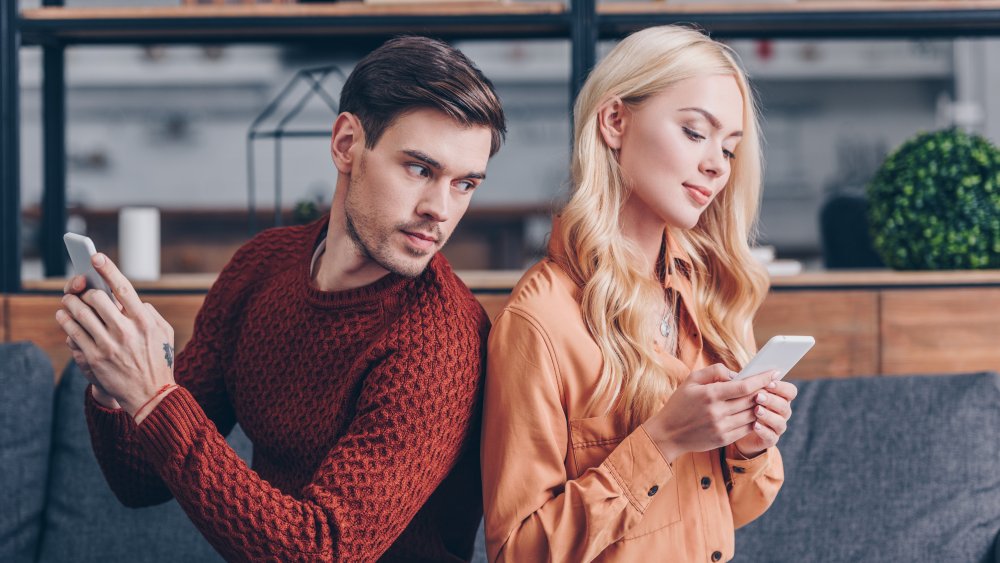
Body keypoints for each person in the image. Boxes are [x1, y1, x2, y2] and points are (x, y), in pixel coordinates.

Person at [55, 36, 506, 562]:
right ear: (345, 144)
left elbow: (320, 552)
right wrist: (114, 383)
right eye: (420, 169)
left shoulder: (440, 343)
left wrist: (155, 394)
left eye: (465, 184)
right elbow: (140, 482)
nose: (441, 209)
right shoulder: (262, 266)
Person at [481, 25, 794, 562]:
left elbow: (729, 511)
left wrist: (748, 448)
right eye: (696, 132)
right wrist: (663, 441)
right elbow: (517, 553)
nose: (718, 164)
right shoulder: (540, 322)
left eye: (729, 147)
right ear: (615, 121)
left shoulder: (704, 295)